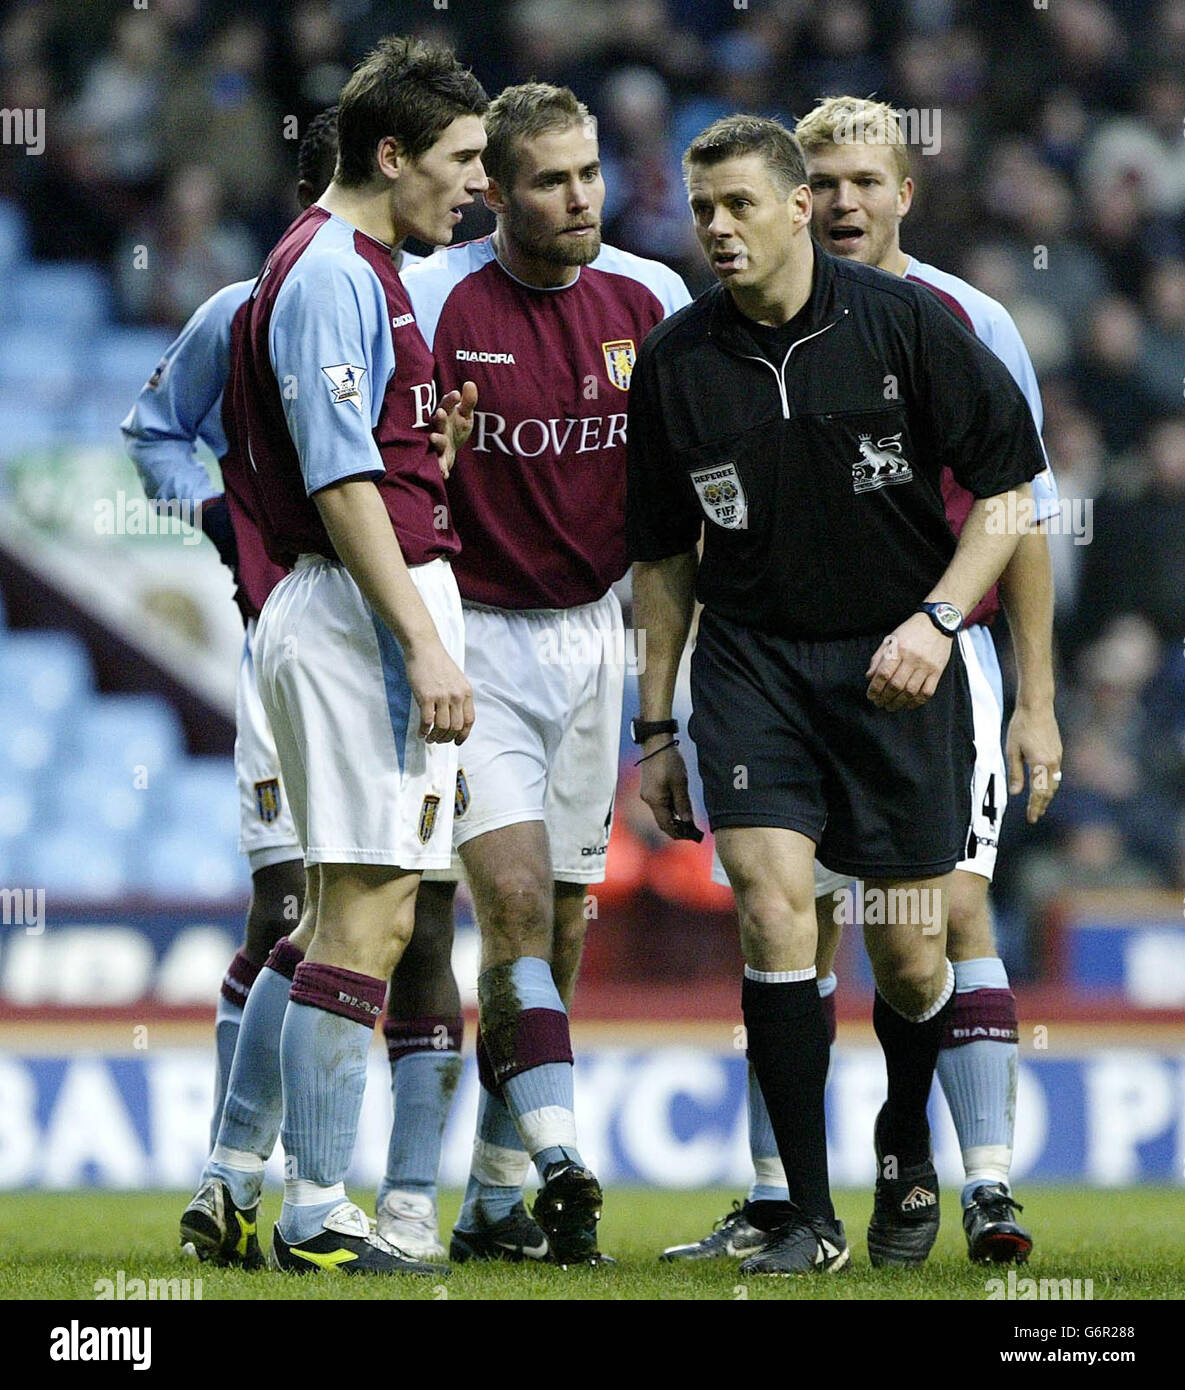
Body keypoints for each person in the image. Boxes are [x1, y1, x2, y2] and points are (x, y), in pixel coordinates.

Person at [628, 115, 1044, 1275]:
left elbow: (1012, 493)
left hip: (895, 668)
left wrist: (942, 618)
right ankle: (802, 1214)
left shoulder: (908, 324)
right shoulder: (676, 362)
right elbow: (661, 557)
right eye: (702, 209)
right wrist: (654, 720)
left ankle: (906, 1135)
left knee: (913, 957)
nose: (716, 228)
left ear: (798, 206)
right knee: (772, 905)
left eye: (740, 205)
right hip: (754, 662)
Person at [182, 36, 488, 1277]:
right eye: (461, 162)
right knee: (362, 916)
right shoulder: (325, 274)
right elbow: (340, 477)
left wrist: (436, 466)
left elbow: (372, 462)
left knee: (345, 916)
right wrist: (419, 640)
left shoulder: (348, 270)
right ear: (391, 154)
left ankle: (247, 1177)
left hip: (363, 600)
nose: (473, 187)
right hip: (358, 616)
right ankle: (315, 1207)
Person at [399, 81, 690, 1265]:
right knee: (511, 905)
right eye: (550, 181)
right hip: (474, 638)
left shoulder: (653, 299)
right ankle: (566, 1160)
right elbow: (378, 467)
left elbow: (676, 499)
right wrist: (430, 458)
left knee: (564, 929)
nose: (580, 198)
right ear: (497, 193)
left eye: (590, 175)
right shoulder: (431, 297)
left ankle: (498, 1199)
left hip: (592, 639)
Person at [120, 109, 338, 1157]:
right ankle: (236, 1163)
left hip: (429, 650)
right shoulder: (241, 314)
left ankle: (417, 1182)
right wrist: (209, 513)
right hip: (290, 639)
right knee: (289, 900)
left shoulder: (442, 312)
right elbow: (153, 427)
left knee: (412, 921)